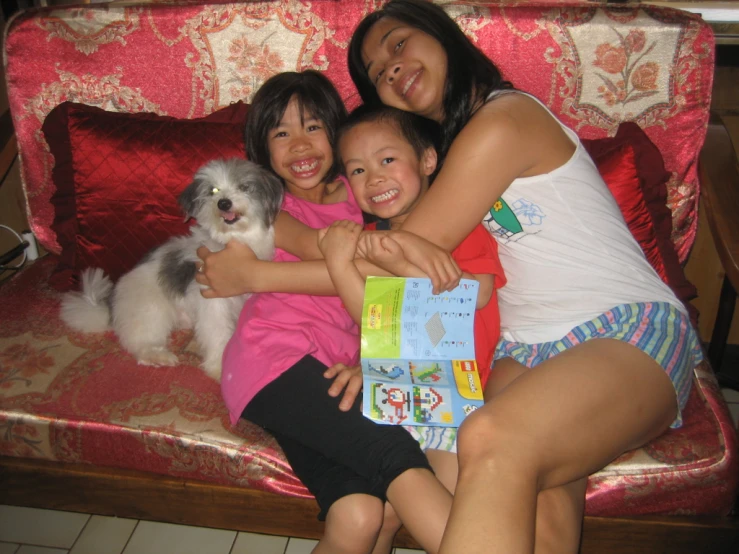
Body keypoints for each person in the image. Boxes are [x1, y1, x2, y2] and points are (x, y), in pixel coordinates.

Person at [346, 1, 704, 553]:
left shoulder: (504, 118)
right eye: (375, 72)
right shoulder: (437, 157)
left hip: (626, 329)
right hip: (523, 349)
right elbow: (395, 271)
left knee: (487, 436)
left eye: (398, 45)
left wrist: (275, 264)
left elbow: (400, 258)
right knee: (545, 530)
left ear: (444, 38)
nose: (390, 68)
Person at [217, 69, 453, 554]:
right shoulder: (271, 207)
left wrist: (371, 359)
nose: (299, 145)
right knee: (395, 456)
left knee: (362, 512)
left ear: (335, 132)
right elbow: (318, 248)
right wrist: (396, 244)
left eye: (312, 127)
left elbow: (379, 292)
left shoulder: (360, 189)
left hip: (334, 368)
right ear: (261, 148)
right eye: (280, 133)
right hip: (273, 361)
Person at [319, 103, 505, 470]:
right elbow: (372, 319)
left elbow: (478, 294)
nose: (373, 178)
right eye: (357, 170)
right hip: (395, 393)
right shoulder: (369, 237)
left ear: (428, 160)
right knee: (387, 501)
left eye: (387, 160)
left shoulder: (459, 226)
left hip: (453, 397)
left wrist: (400, 264)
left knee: (447, 504)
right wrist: (338, 263)